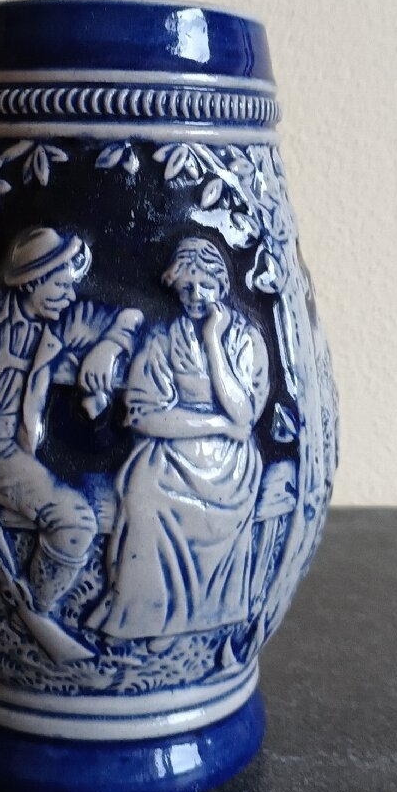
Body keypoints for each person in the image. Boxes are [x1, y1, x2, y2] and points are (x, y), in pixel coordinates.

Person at [0, 227, 142, 628]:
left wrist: (108, 347)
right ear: (32, 281)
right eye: (61, 286)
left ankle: (32, 611)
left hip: (1, 451)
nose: (70, 295)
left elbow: (130, 318)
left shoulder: (60, 326)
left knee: (76, 521)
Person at [86, 238, 269, 641]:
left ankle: (209, 618)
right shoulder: (164, 340)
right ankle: (146, 618)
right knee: (143, 495)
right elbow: (142, 416)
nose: (195, 296)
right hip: (172, 451)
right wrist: (214, 425)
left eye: (204, 285)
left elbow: (244, 414)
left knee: (180, 498)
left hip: (229, 464)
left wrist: (213, 342)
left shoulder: (244, 339)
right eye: (186, 287)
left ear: (222, 285)